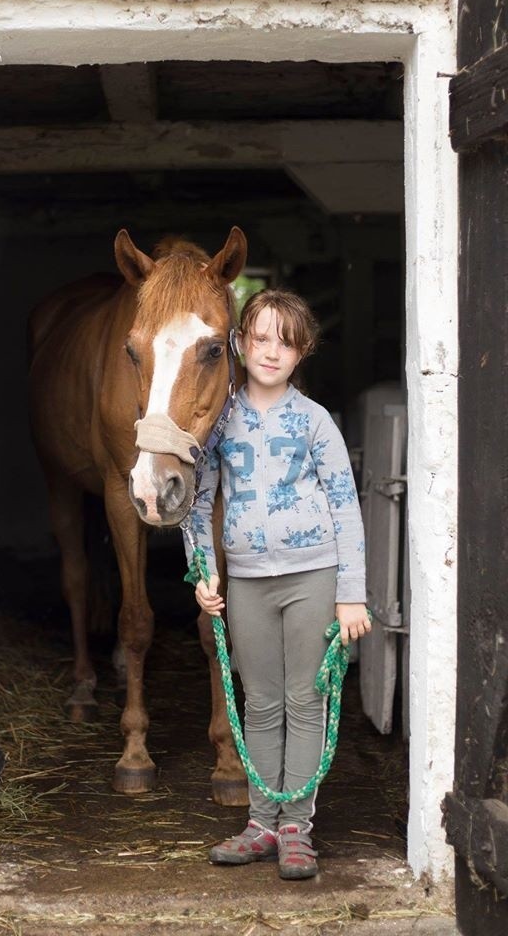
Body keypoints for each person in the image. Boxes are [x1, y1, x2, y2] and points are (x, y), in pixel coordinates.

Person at [187, 288, 370, 881]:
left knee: (304, 699)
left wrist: (351, 593)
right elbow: (198, 500)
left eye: (284, 342)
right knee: (260, 701)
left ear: (302, 352)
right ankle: (261, 824)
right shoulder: (221, 419)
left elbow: (345, 506)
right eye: (260, 337)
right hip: (246, 582)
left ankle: (297, 827)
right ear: (239, 342)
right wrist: (203, 568)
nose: (270, 351)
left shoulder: (316, 423)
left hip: (312, 575)